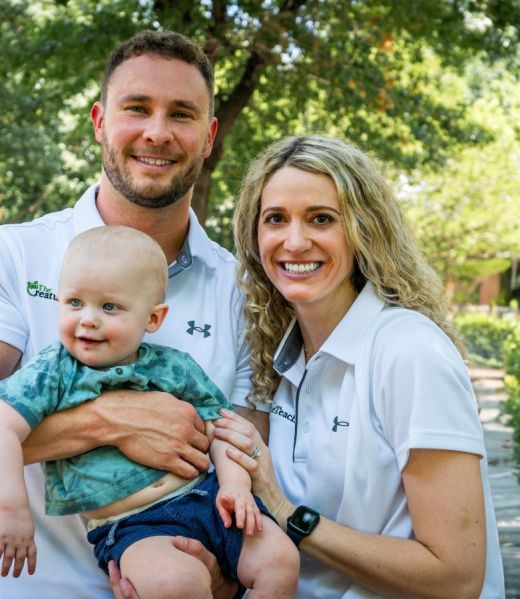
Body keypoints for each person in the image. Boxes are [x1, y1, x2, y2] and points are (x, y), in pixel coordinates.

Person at [0, 30, 266, 599]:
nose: (157, 132)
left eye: (183, 114)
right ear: (99, 120)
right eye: (137, 108)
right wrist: (111, 421)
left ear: (210, 137)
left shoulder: (243, 291)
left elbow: (249, 455)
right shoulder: (14, 255)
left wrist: (223, 574)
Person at [212, 134, 505, 598]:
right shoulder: (280, 362)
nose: (294, 240)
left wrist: (286, 511)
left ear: (363, 229)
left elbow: (457, 576)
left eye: (321, 219)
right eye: (275, 219)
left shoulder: (409, 351)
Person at [0, 225, 298, 598]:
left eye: (109, 307)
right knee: (176, 584)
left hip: (208, 497)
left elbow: (223, 427)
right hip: (136, 525)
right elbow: (4, 427)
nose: (88, 319)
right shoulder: (53, 371)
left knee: (281, 559)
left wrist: (235, 485)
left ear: (154, 318)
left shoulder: (174, 367)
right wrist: (10, 510)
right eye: (74, 303)